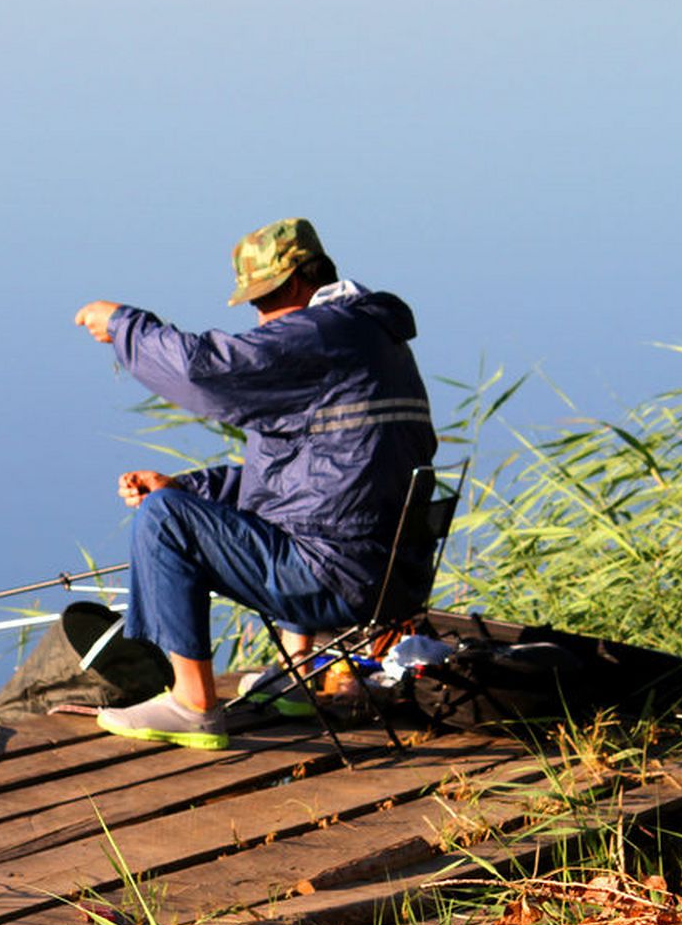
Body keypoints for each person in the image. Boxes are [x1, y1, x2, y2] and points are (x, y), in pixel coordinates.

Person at [72, 218, 436, 749]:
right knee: (181, 503)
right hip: (390, 577)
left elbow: (205, 371)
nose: (260, 318)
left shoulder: (322, 334)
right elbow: (312, 478)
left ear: (295, 283)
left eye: (263, 301)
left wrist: (126, 326)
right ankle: (301, 673)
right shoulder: (374, 340)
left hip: (335, 578)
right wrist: (188, 486)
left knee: (162, 519)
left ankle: (193, 704)